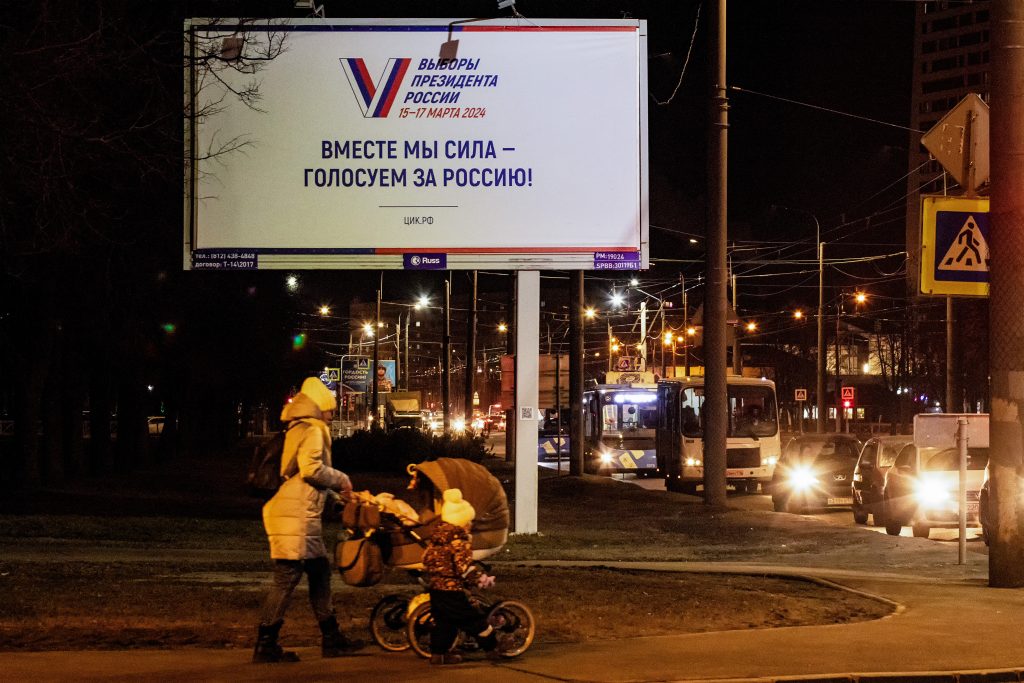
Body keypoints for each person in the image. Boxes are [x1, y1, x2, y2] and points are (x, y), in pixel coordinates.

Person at [253, 377, 364, 664]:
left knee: (319, 574)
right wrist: (343, 480)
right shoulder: (314, 430)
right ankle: (266, 642)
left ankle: (331, 637)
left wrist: (336, 500)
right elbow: (311, 470)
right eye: (330, 409)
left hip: (294, 512)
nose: (332, 414)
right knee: (287, 578)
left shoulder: (296, 427)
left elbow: (306, 481)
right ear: (320, 407)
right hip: (296, 517)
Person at [421, 488, 509, 665]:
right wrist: (479, 578)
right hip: (452, 590)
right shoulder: (458, 541)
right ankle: (493, 648)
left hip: (436, 589)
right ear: (460, 521)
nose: (469, 525)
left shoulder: (437, 538)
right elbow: (463, 568)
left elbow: (425, 560)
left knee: (444, 623)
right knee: (474, 619)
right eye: (468, 521)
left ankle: (438, 655)